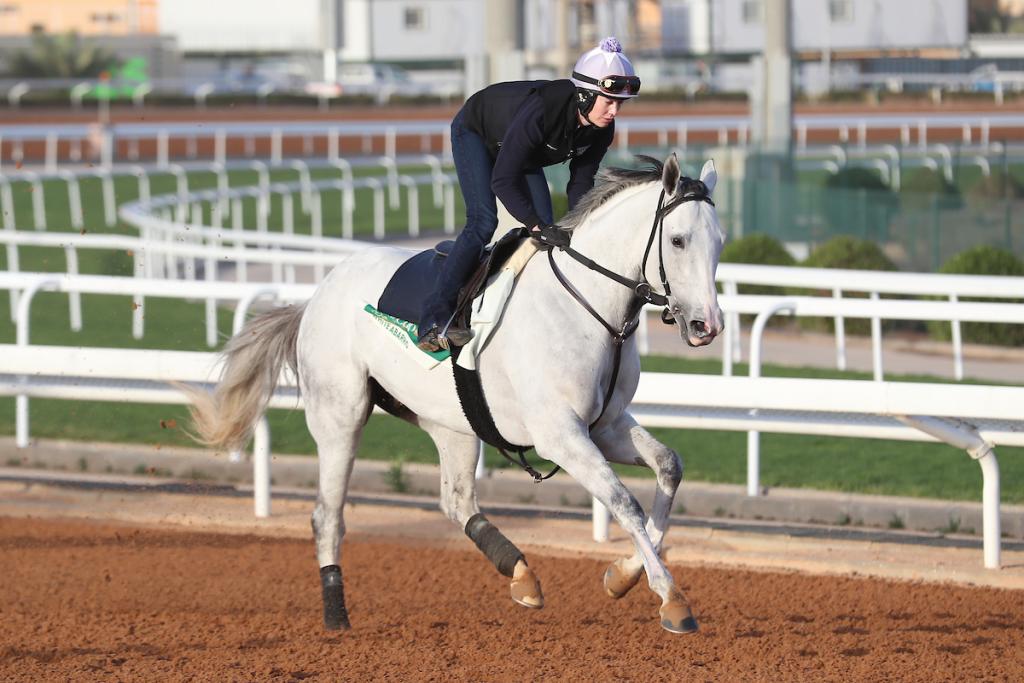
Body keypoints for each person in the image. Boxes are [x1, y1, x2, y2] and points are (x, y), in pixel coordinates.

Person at [416, 36, 641, 352]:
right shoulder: (540, 112)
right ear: (584, 97)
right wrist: (536, 224)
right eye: (608, 101)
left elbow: (580, 183)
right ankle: (434, 319)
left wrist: (579, 226)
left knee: (548, 234)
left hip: (521, 150)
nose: (614, 111)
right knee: (483, 221)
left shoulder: (602, 128)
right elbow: (503, 180)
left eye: (619, 103)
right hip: (476, 132)